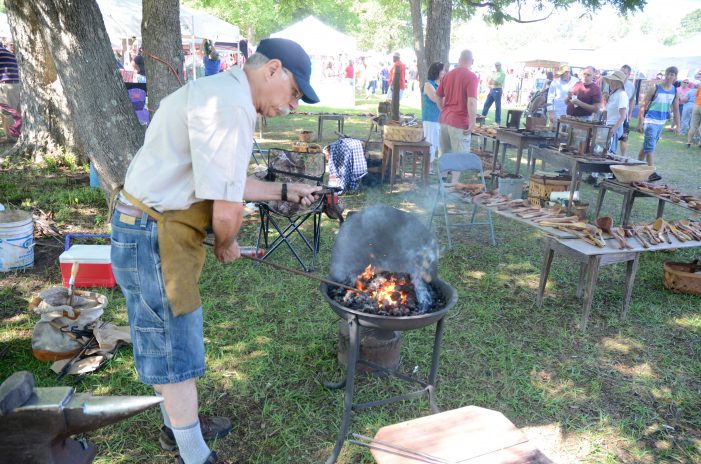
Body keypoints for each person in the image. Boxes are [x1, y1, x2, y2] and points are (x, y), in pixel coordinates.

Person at [110, 38, 321, 464]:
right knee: (174, 348)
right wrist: (227, 243)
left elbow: (223, 179)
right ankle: (193, 454)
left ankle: (177, 428)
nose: (294, 106)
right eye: (295, 92)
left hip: (148, 226)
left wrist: (284, 189)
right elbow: (227, 209)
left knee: (166, 341)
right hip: (153, 234)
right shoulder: (231, 108)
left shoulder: (222, 92)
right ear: (273, 69)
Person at [435, 49, 479, 183]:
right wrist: (472, 121)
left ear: (459, 60)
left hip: (444, 120)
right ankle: (454, 184)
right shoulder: (471, 76)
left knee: (445, 152)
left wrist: (443, 109)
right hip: (459, 121)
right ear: (472, 62)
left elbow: (437, 96)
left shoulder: (447, 75)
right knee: (459, 155)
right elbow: (471, 101)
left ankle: (443, 180)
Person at [637, 66, 680, 182]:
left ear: (676, 77)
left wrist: (678, 125)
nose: (670, 76)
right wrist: (640, 122)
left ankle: (637, 165)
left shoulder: (675, 91)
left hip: (661, 123)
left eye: (673, 74)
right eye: (668, 74)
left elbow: (676, 109)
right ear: (665, 74)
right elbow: (643, 105)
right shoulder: (655, 88)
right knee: (651, 146)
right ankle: (651, 172)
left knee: (647, 146)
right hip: (650, 121)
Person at [422, 62, 445, 166]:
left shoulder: (440, 85)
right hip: (430, 119)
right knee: (430, 143)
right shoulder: (428, 85)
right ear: (437, 72)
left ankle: (440, 165)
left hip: (440, 119)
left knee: (438, 144)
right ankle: (428, 167)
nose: (444, 72)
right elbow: (436, 98)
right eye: (442, 70)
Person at [602, 70, 629, 155]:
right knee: (604, 151)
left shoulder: (622, 94)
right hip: (608, 125)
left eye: (613, 80)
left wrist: (613, 129)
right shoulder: (613, 93)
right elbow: (607, 112)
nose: (611, 82)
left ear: (618, 82)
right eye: (611, 80)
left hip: (614, 126)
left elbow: (623, 116)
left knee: (609, 152)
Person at [0, 42, 20, 141]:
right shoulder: (7, 52)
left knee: (7, 112)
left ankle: (12, 138)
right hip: (16, 84)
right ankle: (18, 135)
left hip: (7, 85)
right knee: (16, 112)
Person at [618, 65, 637, 157]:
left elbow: (632, 100)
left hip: (624, 116)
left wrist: (629, 114)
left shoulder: (631, 86)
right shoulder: (614, 83)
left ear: (629, 74)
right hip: (613, 115)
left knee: (624, 138)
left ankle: (623, 157)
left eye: (624, 73)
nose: (622, 75)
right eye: (621, 72)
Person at [685, 82, 701, 148]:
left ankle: (688, 142)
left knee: (693, 126)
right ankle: (700, 143)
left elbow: (696, 95)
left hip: (697, 106)